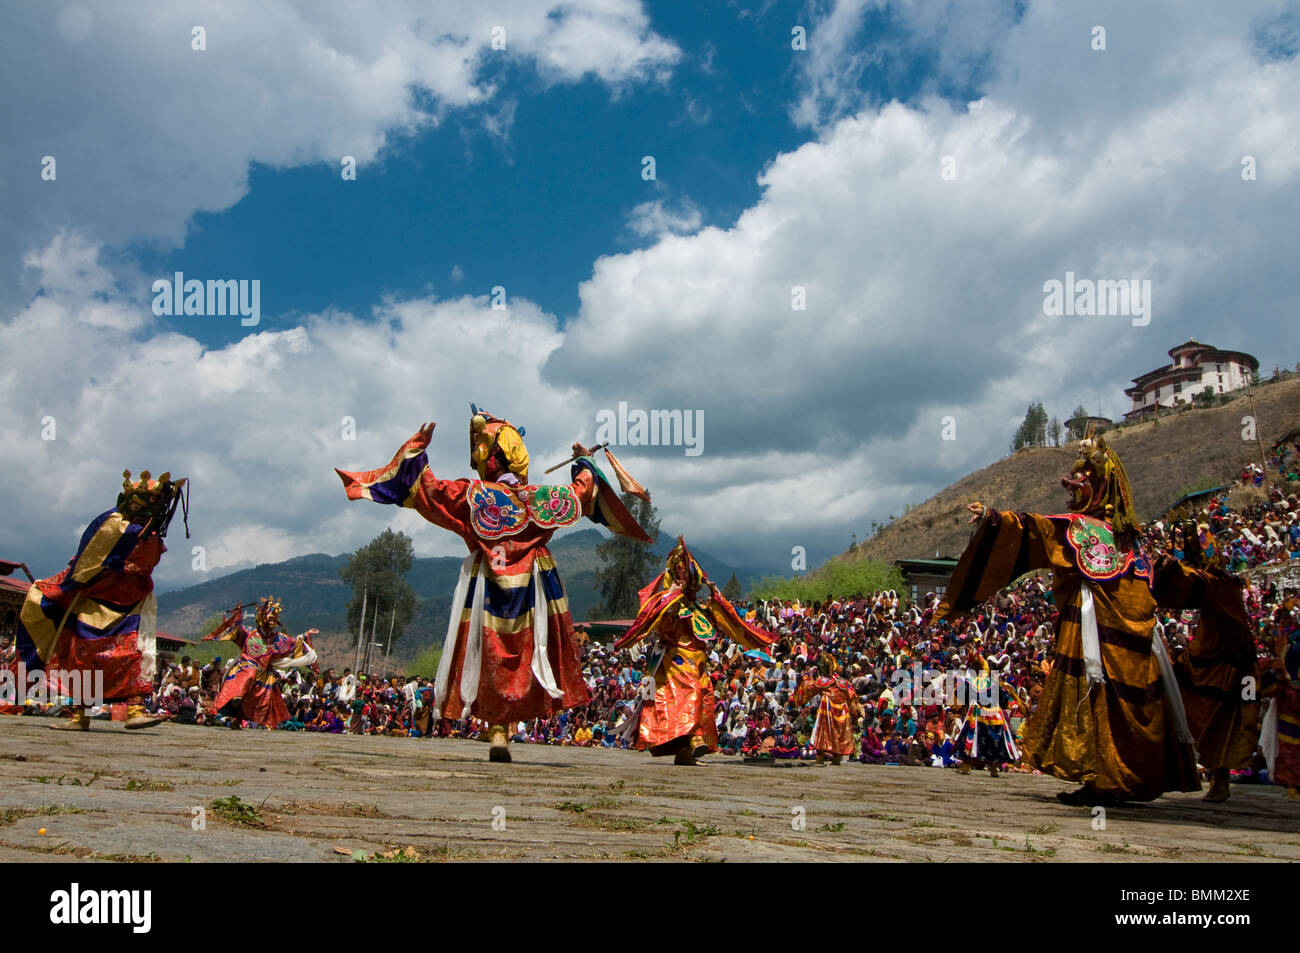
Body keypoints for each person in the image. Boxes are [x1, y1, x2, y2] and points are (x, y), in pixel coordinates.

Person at [336, 413, 652, 762]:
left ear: (490, 458)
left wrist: (416, 450)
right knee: (528, 653)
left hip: (488, 583)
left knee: (486, 655)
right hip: (532, 589)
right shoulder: (542, 498)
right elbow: (582, 492)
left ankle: (497, 728)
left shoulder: (473, 496)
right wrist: (582, 461)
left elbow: (427, 490)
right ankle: (508, 726)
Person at [938, 434, 1200, 806]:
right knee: (1125, 698)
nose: (1074, 494)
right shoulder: (1130, 541)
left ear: (1097, 488)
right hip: (1133, 640)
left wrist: (993, 520)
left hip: (1097, 631)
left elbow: (1035, 528)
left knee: (1096, 694)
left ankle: (1105, 779)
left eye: (1080, 486)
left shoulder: (1087, 530)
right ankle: (1125, 776)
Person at [16, 469, 187, 730]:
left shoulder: (150, 535)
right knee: (84, 656)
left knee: (132, 654)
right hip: (96, 602)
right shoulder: (113, 524)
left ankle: (135, 710)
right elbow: (87, 563)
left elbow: (145, 564)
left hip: (131, 604)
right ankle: (78, 715)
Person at [613, 538, 774, 765]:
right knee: (693, 694)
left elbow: (726, 620)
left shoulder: (700, 609)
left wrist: (716, 595)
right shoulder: (668, 604)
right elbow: (654, 617)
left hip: (698, 664)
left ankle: (686, 751)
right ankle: (695, 740)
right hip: (676, 664)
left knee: (705, 696)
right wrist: (673, 593)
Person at [1151, 522, 1262, 802]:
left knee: (1223, 722)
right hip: (1213, 661)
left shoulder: (1215, 583)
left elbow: (1176, 587)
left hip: (1228, 667)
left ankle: (1219, 778)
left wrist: (1169, 567)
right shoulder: (1222, 584)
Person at [204, 597, 318, 728]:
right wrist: (237, 615)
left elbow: (293, 642)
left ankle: (239, 720)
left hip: (263, 673)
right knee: (249, 672)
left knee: (257, 699)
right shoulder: (249, 632)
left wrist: (306, 634)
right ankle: (219, 710)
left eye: (274, 619)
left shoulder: (279, 638)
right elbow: (236, 629)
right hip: (245, 667)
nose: (271, 621)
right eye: (269, 617)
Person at [791, 653, 863, 765]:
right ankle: (836, 760)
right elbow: (853, 698)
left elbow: (809, 688)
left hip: (828, 710)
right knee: (838, 737)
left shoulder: (822, 681)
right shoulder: (844, 682)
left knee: (823, 734)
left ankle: (820, 758)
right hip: (842, 712)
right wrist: (854, 714)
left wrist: (806, 677)